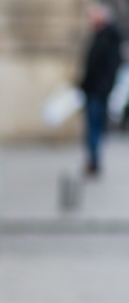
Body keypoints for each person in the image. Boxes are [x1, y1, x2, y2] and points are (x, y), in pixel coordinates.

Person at [79, 3, 122, 177]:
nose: (90, 19)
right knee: (93, 126)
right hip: (92, 89)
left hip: (98, 91)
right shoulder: (100, 36)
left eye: (93, 16)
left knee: (94, 127)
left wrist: (105, 87)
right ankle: (92, 160)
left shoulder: (108, 38)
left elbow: (110, 66)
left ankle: (94, 161)